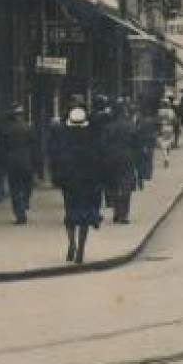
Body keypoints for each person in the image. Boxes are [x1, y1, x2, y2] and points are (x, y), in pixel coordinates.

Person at [50, 107, 104, 264]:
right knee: (85, 217)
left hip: (70, 183)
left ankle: (71, 243)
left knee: (70, 213)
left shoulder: (64, 139)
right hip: (88, 183)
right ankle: (81, 247)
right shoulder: (92, 138)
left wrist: (59, 179)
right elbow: (98, 160)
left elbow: (57, 160)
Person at [0, 105, 37, 225]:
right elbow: (34, 147)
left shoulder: (7, 129)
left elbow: (1, 148)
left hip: (12, 162)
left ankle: (19, 212)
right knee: (27, 185)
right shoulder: (28, 128)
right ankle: (25, 202)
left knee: (15, 188)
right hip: (27, 161)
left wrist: (2, 162)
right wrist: (35, 163)